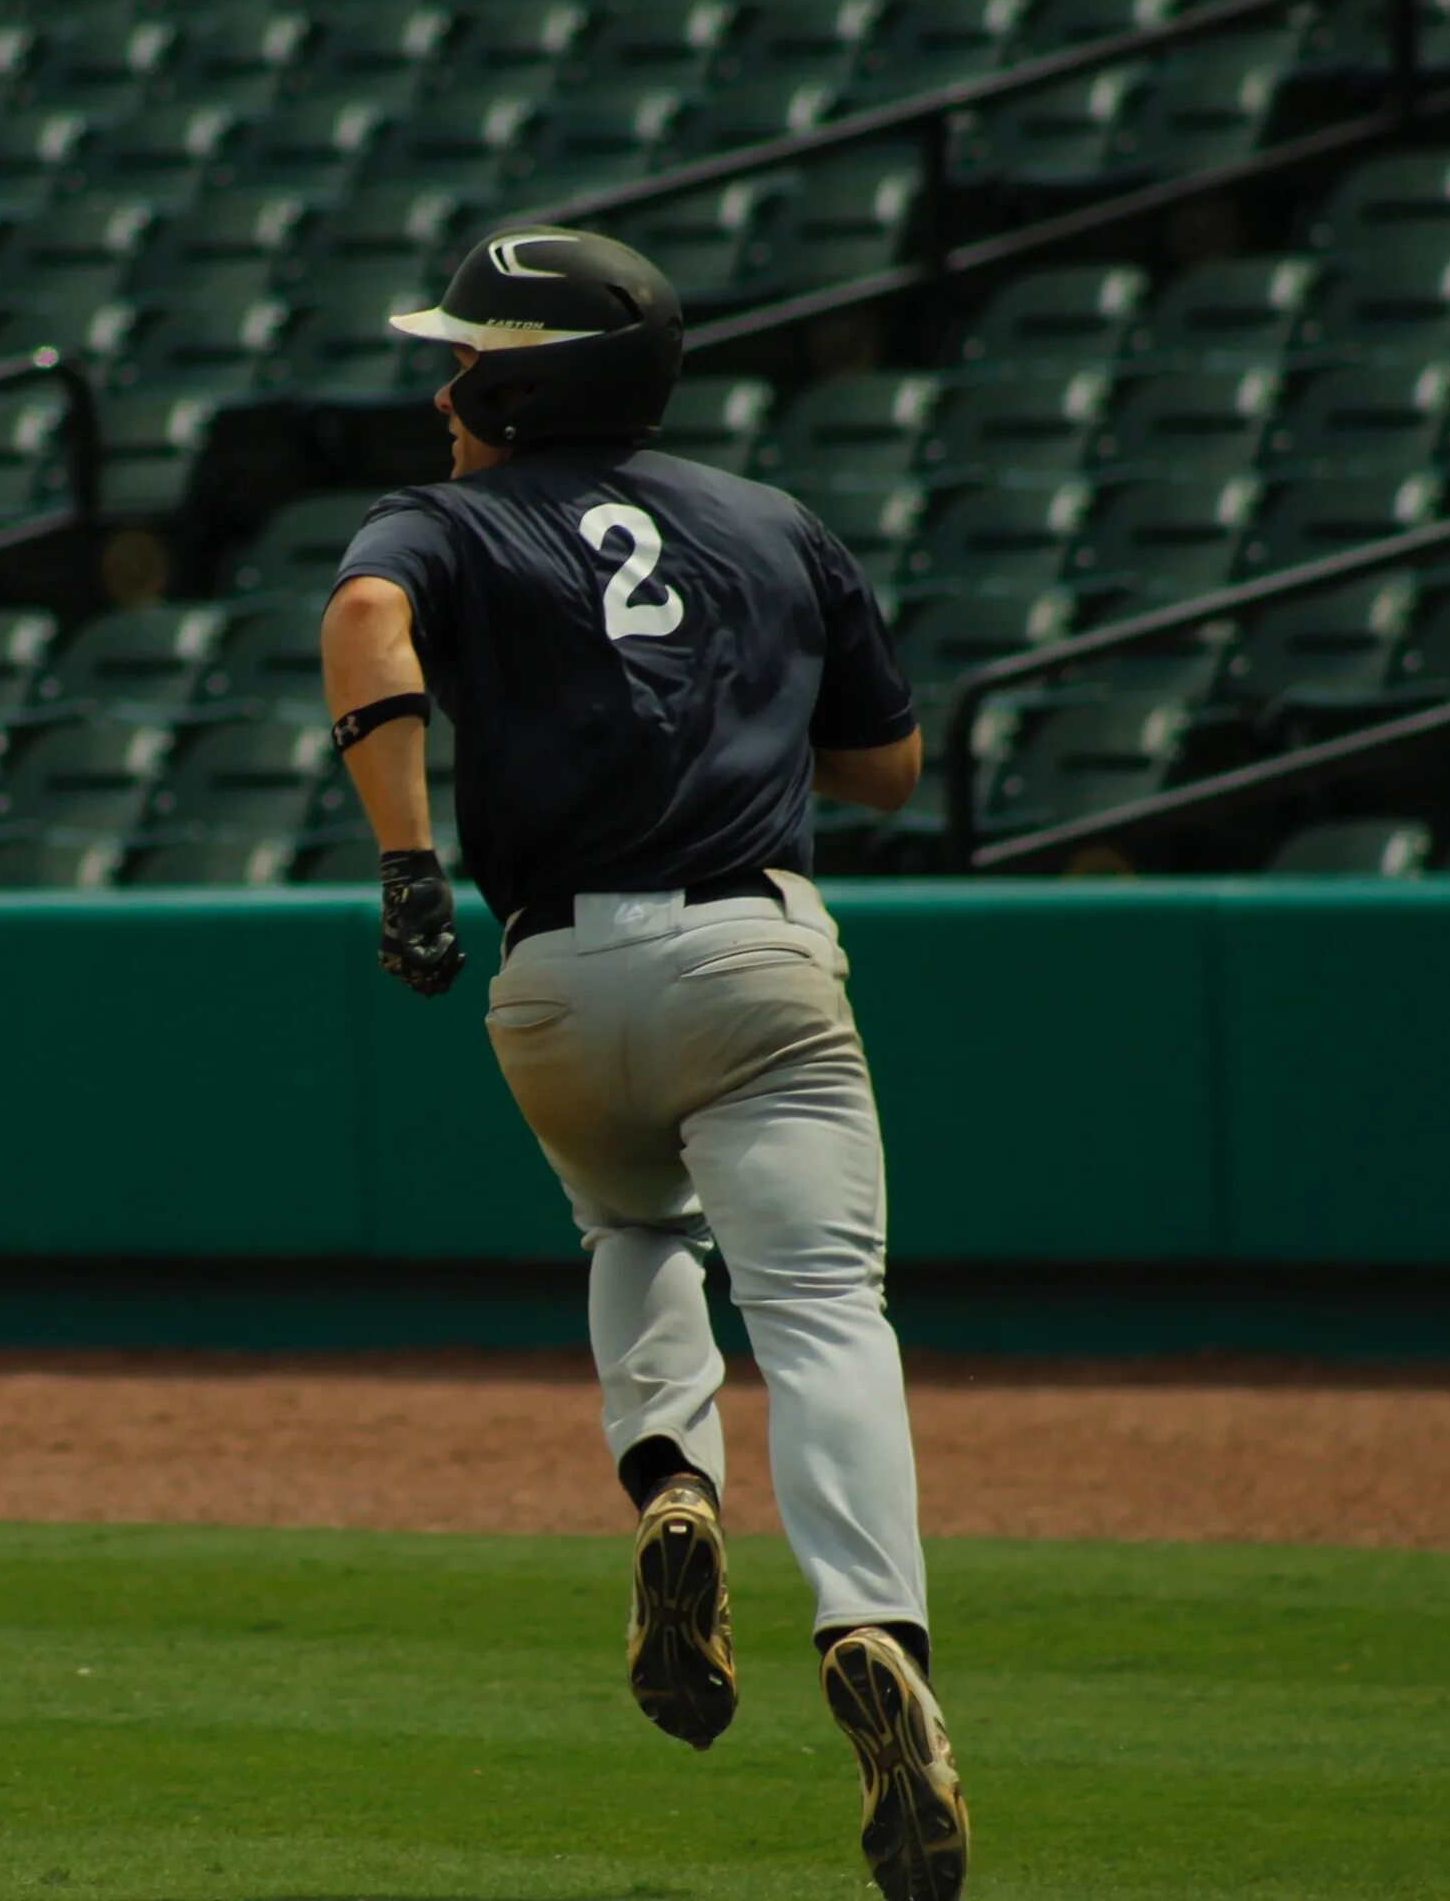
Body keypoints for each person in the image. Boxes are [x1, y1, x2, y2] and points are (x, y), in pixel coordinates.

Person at [316, 224, 968, 1901]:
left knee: (630, 1231)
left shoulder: (442, 521)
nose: (444, 380)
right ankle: (874, 1630)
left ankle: (672, 1484)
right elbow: (890, 767)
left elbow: (369, 615)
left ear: (529, 378)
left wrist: (403, 863)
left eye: (466, 352)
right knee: (825, 1315)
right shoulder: (773, 520)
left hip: (553, 971)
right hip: (754, 956)